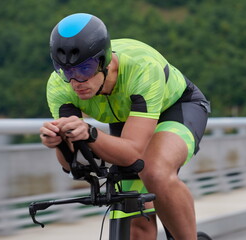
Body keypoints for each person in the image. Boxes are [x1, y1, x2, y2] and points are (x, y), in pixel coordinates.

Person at [40, 13, 210, 240]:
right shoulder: (58, 86)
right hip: (126, 118)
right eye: (66, 71)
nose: (76, 82)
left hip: (176, 107)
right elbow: (73, 165)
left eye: (85, 69)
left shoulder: (141, 68)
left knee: (155, 171)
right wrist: (59, 143)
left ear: (104, 61)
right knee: (134, 217)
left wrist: (91, 134)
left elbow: (134, 154)